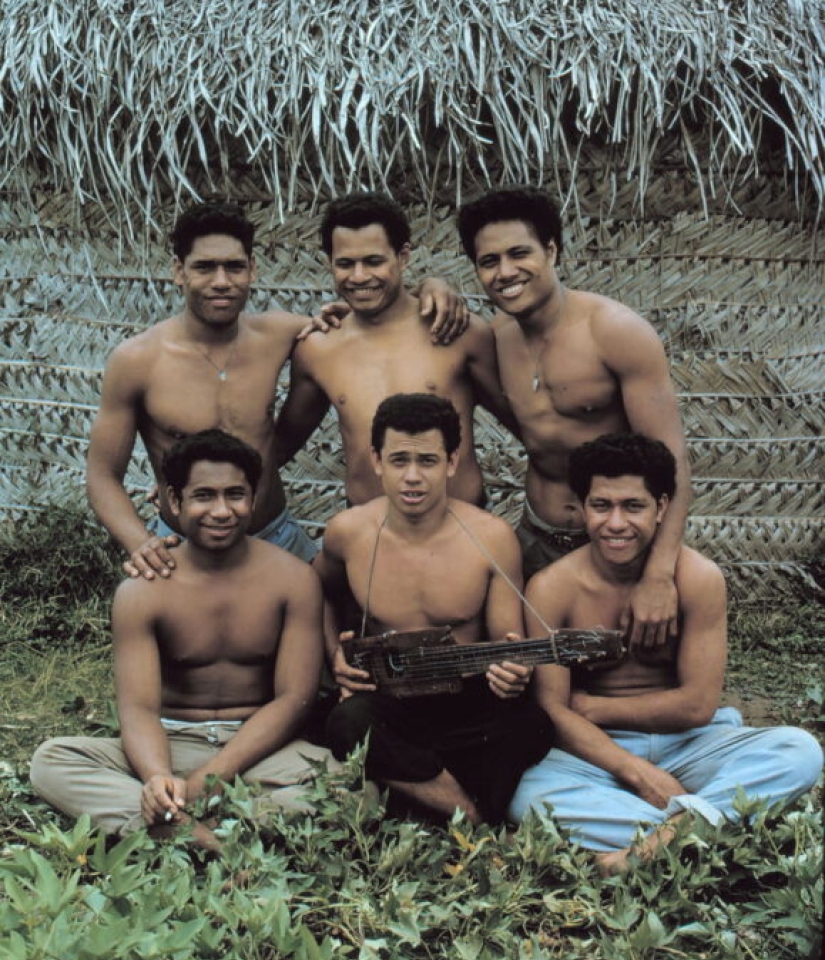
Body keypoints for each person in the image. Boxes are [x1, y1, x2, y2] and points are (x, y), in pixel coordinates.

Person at [87, 200, 465, 580]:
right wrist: (140, 542)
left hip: (276, 535)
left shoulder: (284, 334)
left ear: (252, 269)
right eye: (204, 267)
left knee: (320, 627)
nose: (221, 282)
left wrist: (434, 286)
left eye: (234, 267)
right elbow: (102, 475)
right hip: (183, 545)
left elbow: (377, 306)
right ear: (178, 271)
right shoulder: (137, 361)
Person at [508, 433, 823, 874]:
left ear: (661, 507)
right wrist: (638, 772)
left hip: (692, 744)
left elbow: (696, 706)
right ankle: (710, 831)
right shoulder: (552, 587)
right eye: (602, 506)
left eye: (632, 507)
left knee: (800, 750)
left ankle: (653, 847)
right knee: (528, 796)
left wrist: (593, 706)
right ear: (581, 508)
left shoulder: (699, 578)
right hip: (600, 754)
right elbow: (553, 712)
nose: (615, 523)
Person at [31, 429, 336, 849]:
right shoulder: (144, 588)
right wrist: (158, 777)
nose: (222, 511)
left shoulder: (294, 579)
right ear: (174, 501)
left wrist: (212, 778)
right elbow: (138, 707)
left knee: (349, 787)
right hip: (172, 742)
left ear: (254, 497)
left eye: (235, 494)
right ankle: (202, 827)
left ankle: (176, 826)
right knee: (52, 761)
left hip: (257, 749)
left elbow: (294, 699)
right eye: (204, 496)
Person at [457, 186, 691, 651]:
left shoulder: (614, 332)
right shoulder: (494, 341)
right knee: (525, 678)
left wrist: (660, 575)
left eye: (519, 253)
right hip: (536, 534)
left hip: (616, 539)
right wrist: (431, 291)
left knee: (620, 669)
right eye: (489, 261)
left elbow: (673, 463)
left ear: (551, 250)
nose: (505, 272)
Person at [314, 393, 555, 825]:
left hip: (469, 701)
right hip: (389, 698)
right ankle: (473, 815)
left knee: (532, 724)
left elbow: (508, 643)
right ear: (376, 460)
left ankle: (420, 800)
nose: (412, 477)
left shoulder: (491, 537)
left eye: (426, 461)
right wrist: (335, 653)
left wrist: (513, 673)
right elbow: (316, 594)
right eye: (399, 460)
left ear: (451, 461)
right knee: (345, 721)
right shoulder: (349, 533)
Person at [274, 193, 520, 507]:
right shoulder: (318, 349)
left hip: (461, 531)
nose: (359, 276)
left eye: (374, 261)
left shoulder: (457, 332)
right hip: (372, 534)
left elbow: (528, 424)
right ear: (330, 263)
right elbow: (281, 446)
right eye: (346, 264)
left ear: (403, 257)